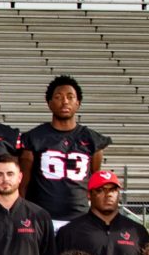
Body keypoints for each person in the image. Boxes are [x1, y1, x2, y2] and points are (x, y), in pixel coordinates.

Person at [21, 75, 112, 233]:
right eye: (58, 97)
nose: (65, 102)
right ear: (49, 103)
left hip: (79, 217)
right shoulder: (34, 138)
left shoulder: (91, 139)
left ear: (78, 103)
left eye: (70, 97)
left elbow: (95, 179)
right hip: (41, 217)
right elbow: (23, 184)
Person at [57, 170, 145, 255]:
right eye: (100, 190)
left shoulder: (137, 232)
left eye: (113, 190)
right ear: (89, 195)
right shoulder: (70, 232)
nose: (108, 194)